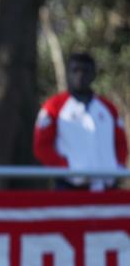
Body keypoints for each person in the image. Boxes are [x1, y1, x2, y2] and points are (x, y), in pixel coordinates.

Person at [33, 52, 128, 191]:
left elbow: (120, 143)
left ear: (93, 74)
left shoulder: (108, 108)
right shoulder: (53, 107)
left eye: (85, 71)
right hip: (70, 187)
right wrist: (67, 169)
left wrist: (116, 167)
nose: (80, 75)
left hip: (107, 186)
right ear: (67, 73)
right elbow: (42, 147)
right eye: (75, 70)